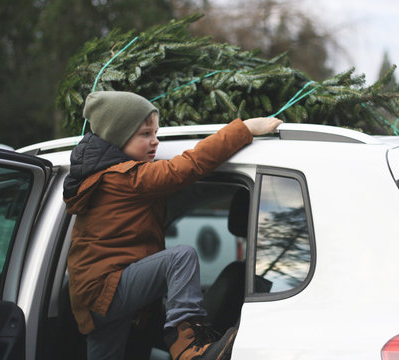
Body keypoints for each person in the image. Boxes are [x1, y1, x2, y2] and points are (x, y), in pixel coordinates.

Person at [63, 91, 282, 360]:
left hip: (94, 296)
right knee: (180, 258)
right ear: (119, 135)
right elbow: (187, 167)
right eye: (145, 134)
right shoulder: (125, 178)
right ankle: (187, 347)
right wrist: (244, 129)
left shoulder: (106, 178)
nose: (155, 141)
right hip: (107, 290)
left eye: (156, 132)